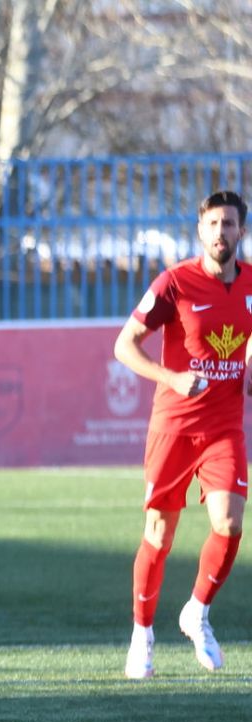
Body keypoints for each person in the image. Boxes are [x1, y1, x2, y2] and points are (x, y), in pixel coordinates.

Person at [114, 189, 252, 680]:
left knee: (230, 525)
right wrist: (171, 378)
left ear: (241, 231)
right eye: (213, 224)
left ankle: (196, 611)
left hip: (223, 427)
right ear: (200, 230)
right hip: (174, 426)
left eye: (229, 224)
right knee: (159, 535)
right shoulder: (175, 283)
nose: (221, 232)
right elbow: (124, 345)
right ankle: (142, 635)